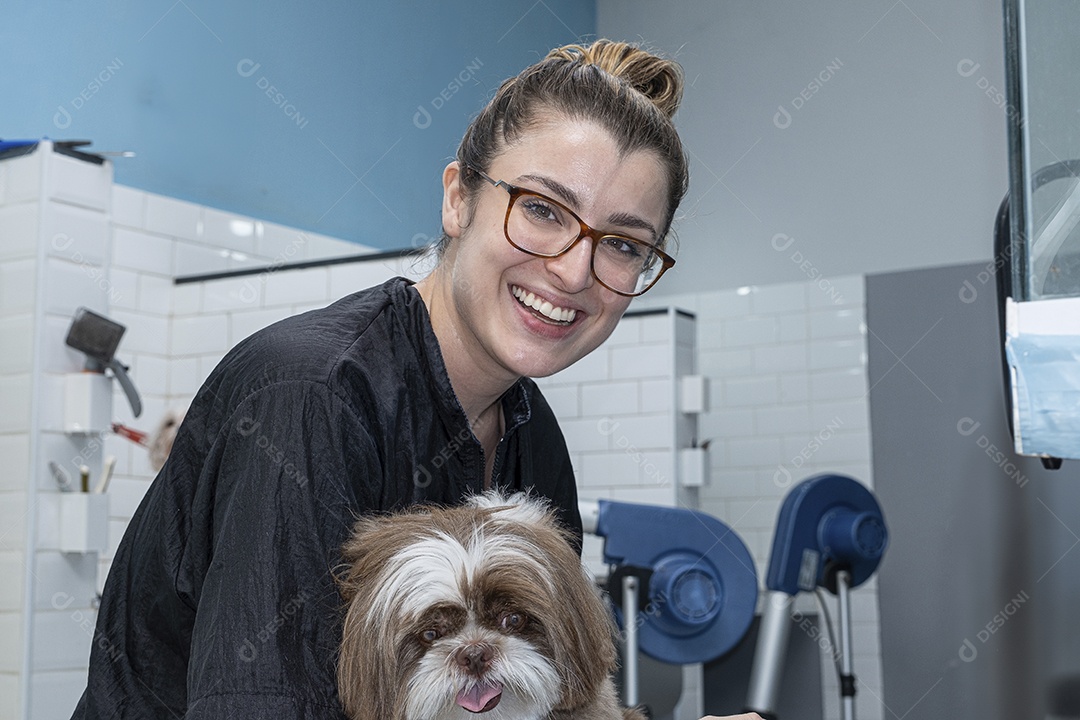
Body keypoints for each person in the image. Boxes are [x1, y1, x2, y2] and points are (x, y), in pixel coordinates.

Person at [71, 39, 760, 720]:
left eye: (622, 245)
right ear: (458, 199)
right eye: (543, 210)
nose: (574, 271)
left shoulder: (531, 432)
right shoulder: (310, 398)